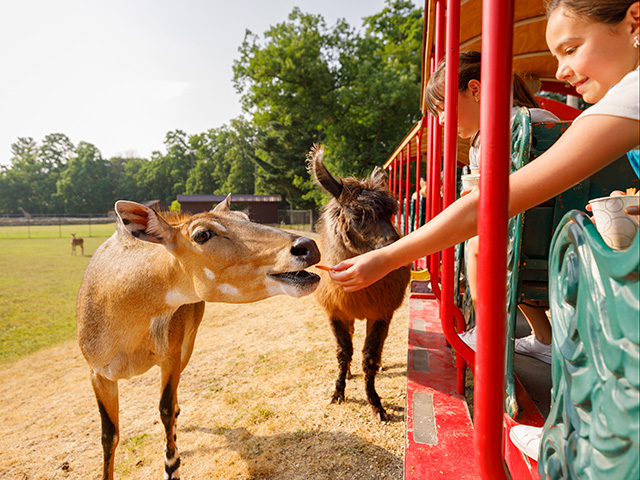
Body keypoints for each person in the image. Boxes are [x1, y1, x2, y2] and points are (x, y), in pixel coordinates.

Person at [327, 0, 639, 462]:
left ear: (635, 21)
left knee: (489, 247)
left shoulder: (628, 95)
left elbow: (494, 201)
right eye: (556, 56)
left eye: (571, 49)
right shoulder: (608, 105)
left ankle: (569, 426)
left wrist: (389, 257)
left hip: (540, 258)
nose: (563, 69)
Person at [423, 50, 559, 363]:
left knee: (476, 242)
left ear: (474, 90)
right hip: (557, 245)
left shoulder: (495, 134)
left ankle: (486, 331)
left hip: (515, 250)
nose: (442, 120)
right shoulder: (547, 120)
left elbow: (482, 205)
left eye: (443, 109)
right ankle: (544, 339)